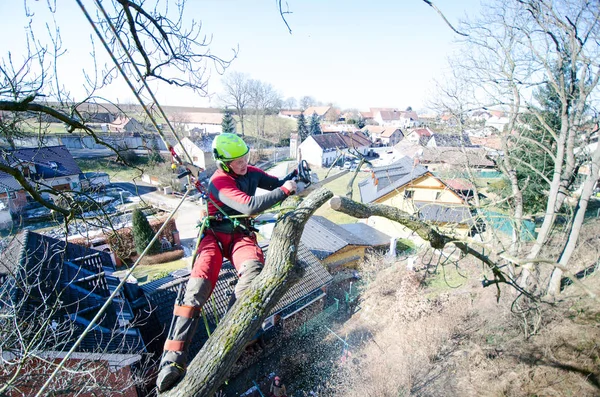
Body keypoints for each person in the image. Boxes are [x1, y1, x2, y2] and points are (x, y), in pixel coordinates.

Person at [156, 133, 297, 392]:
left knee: (253, 270)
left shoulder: (250, 172)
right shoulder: (219, 182)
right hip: (214, 236)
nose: (243, 164)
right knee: (195, 291)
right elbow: (250, 206)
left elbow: (276, 184)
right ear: (223, 162)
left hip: (239, 235)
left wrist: (294, 178)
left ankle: (231, 328)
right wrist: (286, 190)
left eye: (245, 158)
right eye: (237, 161)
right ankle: (171, 362)